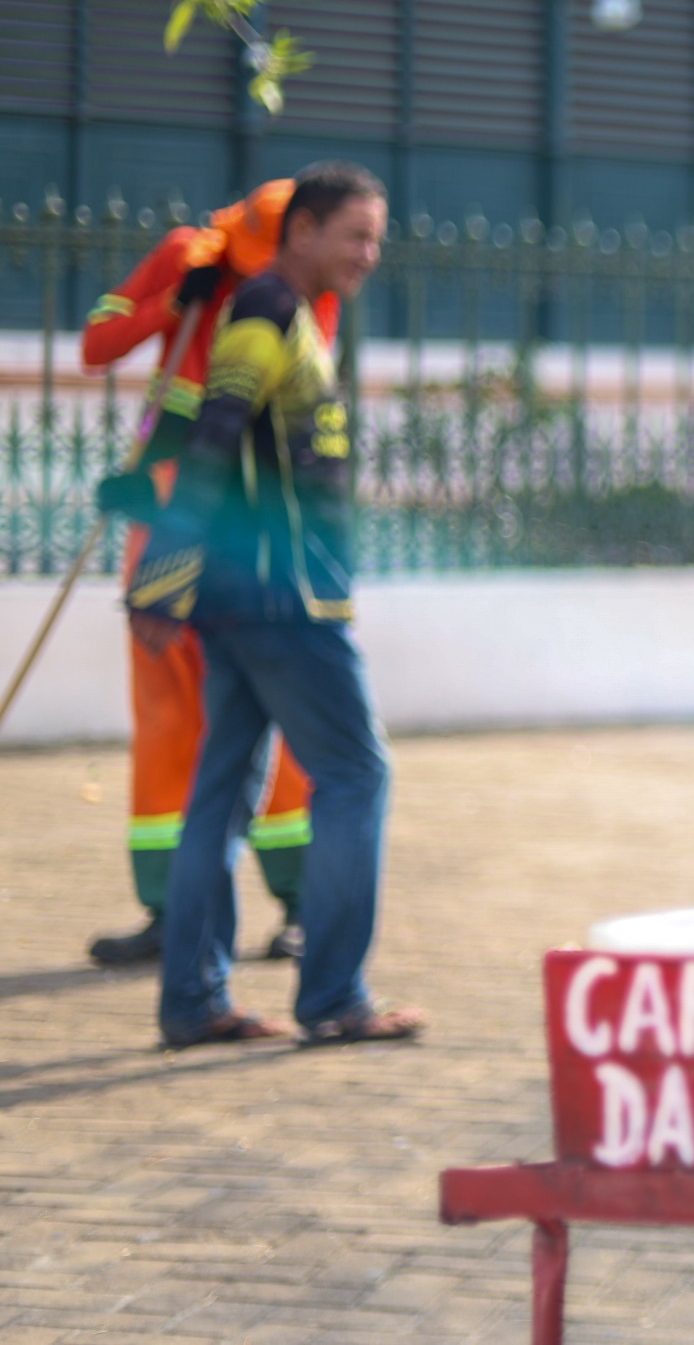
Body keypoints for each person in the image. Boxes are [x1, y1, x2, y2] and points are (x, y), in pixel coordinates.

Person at [129, 161, 423, 1049]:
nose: (370, 254)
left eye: (376, 237)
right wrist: (159, 579)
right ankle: (334, 997)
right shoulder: (265, 314)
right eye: (355, 235)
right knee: (356, 776)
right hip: (281, 597)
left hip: (244, 596)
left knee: (221, 794)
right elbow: (214, 438)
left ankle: (193, 1002)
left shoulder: (287, 317)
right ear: (302, 232)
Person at [80, 181, 341, 967]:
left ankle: (302, 903)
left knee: (282, 718)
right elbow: (99, 344)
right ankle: (169, 909)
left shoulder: (309, 291)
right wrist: (174, 299)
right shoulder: (186, 257)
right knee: (167, 717)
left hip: (247, 523)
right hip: (163, 509)